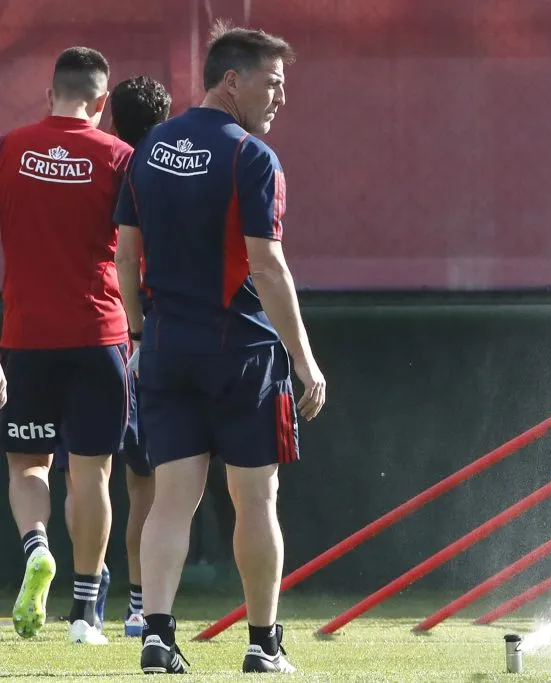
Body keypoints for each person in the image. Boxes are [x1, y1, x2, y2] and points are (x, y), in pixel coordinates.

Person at [114, 22, 326, 674]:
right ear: (231, 79)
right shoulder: (251, 157)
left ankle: (155, 634)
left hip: (168, 345)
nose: (281, 99)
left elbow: (124, 249)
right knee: (256, 499)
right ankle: (263, 644)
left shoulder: (149, 145)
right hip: (243, 350)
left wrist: (139, 335)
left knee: (170, 498)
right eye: (273, 83)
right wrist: (306, 358)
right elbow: (267, 264)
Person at [0, 47, 132, 646]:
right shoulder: (119, 157)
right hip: (99, 332)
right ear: (102, 101)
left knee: (30, 466)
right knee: (92, 477)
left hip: (26, 336)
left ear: (49, 93)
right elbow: (135, 251)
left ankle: (36, 547)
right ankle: (86, 616)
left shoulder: (9, 149)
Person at [52, 74, 172, 639]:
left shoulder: (118, 164)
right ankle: (142, 607)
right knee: (150, 484)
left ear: (113, 117)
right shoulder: (157, 169)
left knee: (100, 476)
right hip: (156, 333)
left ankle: (107, 599)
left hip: (113, 331)